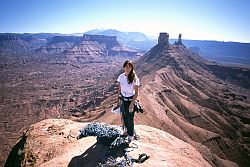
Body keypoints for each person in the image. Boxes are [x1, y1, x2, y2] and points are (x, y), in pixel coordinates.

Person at [117, 60, 140, 142]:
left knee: (130, 118)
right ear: (124, 67)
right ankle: (126, 131)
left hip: (131, 100)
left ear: (132, 68)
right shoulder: (121, 77)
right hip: (123, 99)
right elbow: (119, 89)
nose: (128, 68)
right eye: (126, 66)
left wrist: (132, 104)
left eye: (130, 67)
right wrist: (118, 100)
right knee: (124, 116)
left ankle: (130, 136)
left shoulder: (134, 78)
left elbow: (136, 93)